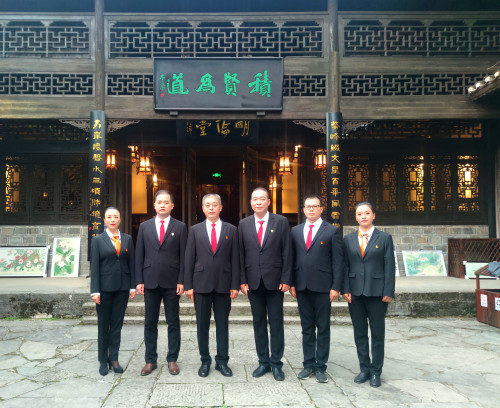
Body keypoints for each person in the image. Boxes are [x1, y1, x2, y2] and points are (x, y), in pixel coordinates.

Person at [238, 187, 292, 381]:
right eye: (255, 199)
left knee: (276, 324)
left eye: (262, 199)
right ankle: (263, 362)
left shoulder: (281, 222)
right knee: (258, 323)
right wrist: (242, 280)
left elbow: (287, 252)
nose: (258, 202)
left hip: (275, 282)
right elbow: (240, 254)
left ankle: (276, 363)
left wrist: (286, 279)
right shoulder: (243, 224)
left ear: (269, 201)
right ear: (251, 202)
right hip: (253, 282)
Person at [184, 194, 240, 378]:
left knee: (223, 325)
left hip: (224, 284)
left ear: (220, 207)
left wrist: (235, 284)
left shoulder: (231, 230)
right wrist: (188, 285)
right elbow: (189, 258)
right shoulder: (195, 230)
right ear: (202, 208)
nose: (211, 208)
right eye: (207, 205)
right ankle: (205, 361)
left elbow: (235, 259)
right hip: (201, 284)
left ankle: (222, 362)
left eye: (214, 205)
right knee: (202, 325)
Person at [290, 195, 344, 383]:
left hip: (323, 287)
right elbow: (292, 259)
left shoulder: (332, 231)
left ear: (321, 209)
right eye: (308, 206)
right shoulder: (295, 231)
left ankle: (320, 366)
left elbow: (338, 261)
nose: (311, 209)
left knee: (322, 327)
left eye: (315, 206)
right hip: (302, 286)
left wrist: (336, 286)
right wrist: (291, 283)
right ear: (303, 209)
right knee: (306, 328)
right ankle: (308, 365)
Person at [342, 201, 395, 387]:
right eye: (359, 214)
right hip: (355, 293)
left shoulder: (384, 238)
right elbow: (345, 266)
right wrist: (345, 289)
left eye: (366, 213)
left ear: (373, 215)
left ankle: (376, 371)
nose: (363, 216)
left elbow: (389, 266)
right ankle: (364, 369)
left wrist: (388, 290)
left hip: (377, 293)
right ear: (355, 217)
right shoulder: (348, 239)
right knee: (360, 333)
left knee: (377, 333)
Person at [135, 190, 187, 376]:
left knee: (173, 321)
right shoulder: (145, 226)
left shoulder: (180, 227)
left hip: (172, 281)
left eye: (166, 202)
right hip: (150, 281)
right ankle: (150, 360)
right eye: (159, 202)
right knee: (150, 322)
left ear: (172, 205)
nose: (162, 205)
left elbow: (184, 256)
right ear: (154, 205)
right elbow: (139, 254)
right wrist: (139, 280)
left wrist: (182, 280)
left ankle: (172, 359)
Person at [90, 207, 136, 376]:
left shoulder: (127, 239)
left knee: (116, 326)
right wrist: (95, 291)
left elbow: (131, 263)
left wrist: (132, 286)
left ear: (120, 219)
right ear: (104, 220)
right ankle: (103, 360)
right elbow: (95, 267)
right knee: (104, 326)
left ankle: (114, 359)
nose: (112, 220)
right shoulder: (97, 240)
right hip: (104, 289)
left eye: (115, 217)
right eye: (109, 217)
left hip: (122, 288)